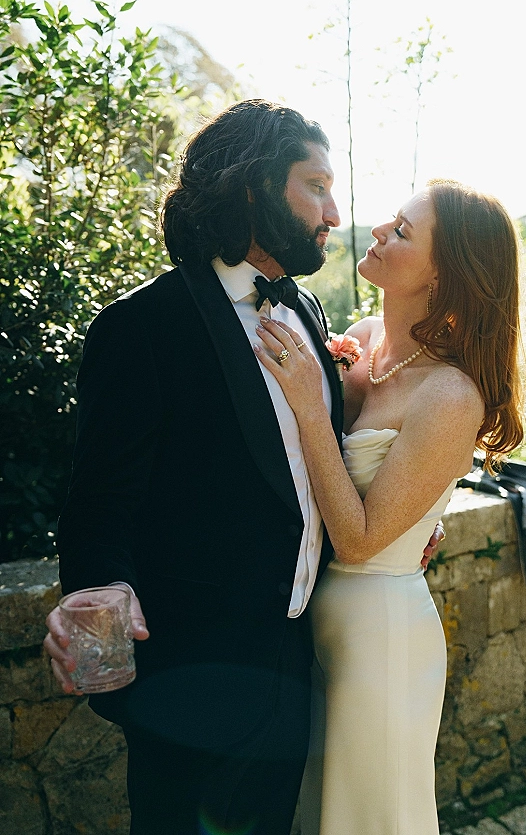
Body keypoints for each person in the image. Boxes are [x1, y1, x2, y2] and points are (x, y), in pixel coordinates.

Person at [42, 99, 441, 835]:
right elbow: (99, 503)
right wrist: (97, 592)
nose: (334, 213)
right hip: (189, 679)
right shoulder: (142, 326)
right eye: (316, 187)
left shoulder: (309, 314)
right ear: (254, 187)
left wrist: (409, 518)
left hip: (294, 664)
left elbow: (315, 461)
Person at [255, 179, 526, 835]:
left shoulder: (450, 394)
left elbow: (359, 541)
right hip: (308, 624)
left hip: (378, 635)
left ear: (442, 276)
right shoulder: (360, 339)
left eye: (403, 231)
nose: (378, 230)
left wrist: (308, 405)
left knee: (368, 816)